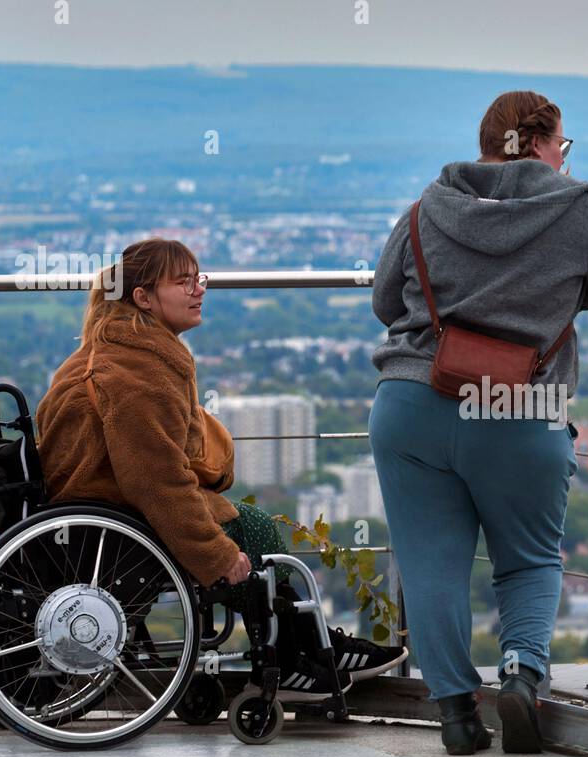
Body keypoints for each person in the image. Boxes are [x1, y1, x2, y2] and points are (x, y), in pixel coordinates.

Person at [368, 92, 588, 754]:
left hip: (412, 403)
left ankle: (457, 716)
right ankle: (521, 677)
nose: (564, 158)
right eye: (564, 147)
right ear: (543, 145)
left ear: (489, 143)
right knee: (527, 560)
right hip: (519, 407)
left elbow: (386, 300)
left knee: (431, 563)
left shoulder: (427, 207)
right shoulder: (575, 207)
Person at [35, 238, 406, 700]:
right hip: (114, 532)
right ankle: (295, 654)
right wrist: (217, 557)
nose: (199, 290)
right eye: (182, 282)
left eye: (199, 278)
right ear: (143, 298)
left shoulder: (112, 355)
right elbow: (156, 482)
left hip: (100, 519)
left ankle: (305, 647)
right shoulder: (133, 377)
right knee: (250, 535)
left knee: (251, 527)